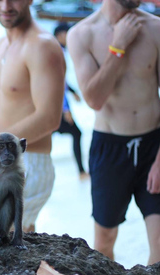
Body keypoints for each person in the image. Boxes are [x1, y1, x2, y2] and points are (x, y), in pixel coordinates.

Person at [67, 0, 160, 265]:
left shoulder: (158, 29)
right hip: (109, 149)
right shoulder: (81, 34)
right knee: (105, 240)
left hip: (155, 144)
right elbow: (94, 99)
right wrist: (118, 47)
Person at [0, 0, 65, 233]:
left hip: (28, 162)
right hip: (4, 160)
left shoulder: (41, 45)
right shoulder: (3, 45)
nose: (5, 5)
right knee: (13, 248)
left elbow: (49, 117)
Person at [53, 23, 89, 180]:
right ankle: (81, 172)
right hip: (56, 107)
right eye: (67, 35)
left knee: (43, 137)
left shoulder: (55, 50)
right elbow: (56, 83)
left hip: (51, 106)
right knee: (77, 133)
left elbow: (62, 81)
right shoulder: (57, 52)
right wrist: (65, 109)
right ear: (60, 35)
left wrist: (73, 91)